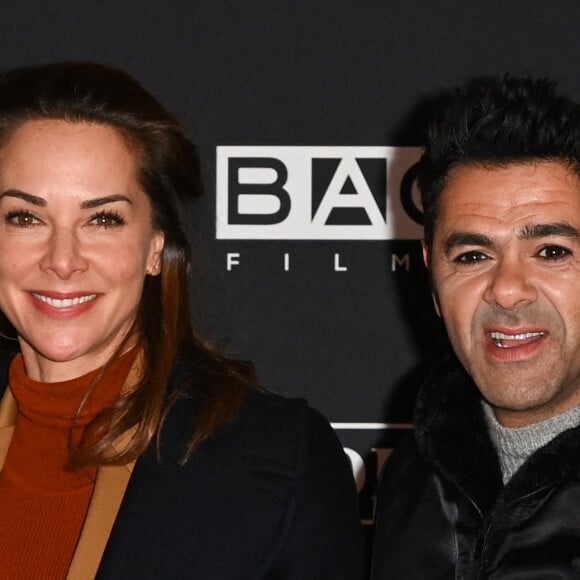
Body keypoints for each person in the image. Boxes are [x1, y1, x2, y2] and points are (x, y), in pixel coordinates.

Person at [0, 62, 364, 580]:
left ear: (156, 246)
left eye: (102, 219)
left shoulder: (279, 459)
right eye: (25, 217)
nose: (63, 259)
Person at [371, 75, 580, 578]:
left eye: (551, 251)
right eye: (473, 255)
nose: (507, 289)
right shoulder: (413, 476)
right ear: (433, 275)